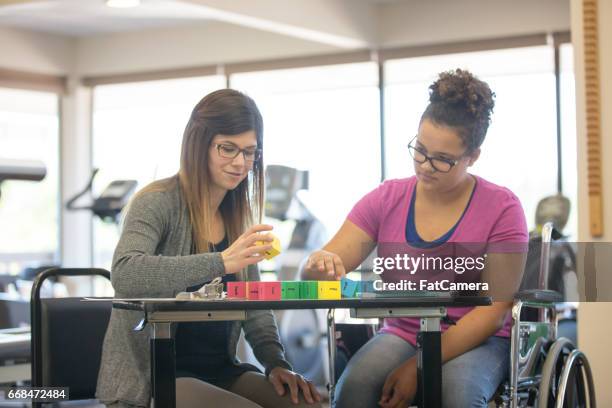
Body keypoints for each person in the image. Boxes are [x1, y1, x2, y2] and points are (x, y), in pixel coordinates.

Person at [303, 69, 528, 408]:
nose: (424, 166)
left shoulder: (503, 208)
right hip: (404, 331)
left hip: (477, 339)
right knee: (354, 390)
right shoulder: (386, 199)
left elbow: (493, 313)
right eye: (420, 150)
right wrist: (318, 266)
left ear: (473, 157)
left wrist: (418, 366)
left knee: (456, 395)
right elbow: (322, 269)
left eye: (442, 160)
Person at [96, 89, 322, 408]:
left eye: (249, 152)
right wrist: (220, 262)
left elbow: (255, 304)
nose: (240, 162)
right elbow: (126, 274)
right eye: (227, 149)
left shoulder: (238, 215)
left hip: (221, 369)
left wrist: (276, 363)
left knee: (308, 404)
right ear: (199, 144)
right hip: (157, 376)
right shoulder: (156, 201)